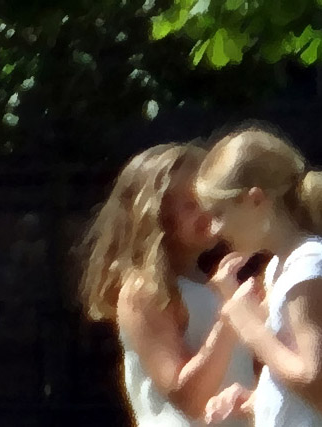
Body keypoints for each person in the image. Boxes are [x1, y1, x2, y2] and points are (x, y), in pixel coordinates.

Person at [196, 122, 322, 426]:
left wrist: (248, 323)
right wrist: (254, 400)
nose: (214, 230)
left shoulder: (311, 264)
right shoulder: (281, 266)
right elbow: (301, 387)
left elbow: (321, 390)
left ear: (255, 200)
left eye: (219, 213)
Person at [79, 143, 255, 426]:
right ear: (156, 216)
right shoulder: (145, 290)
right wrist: (231, 316)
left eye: (208, 198)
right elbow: (188, 399)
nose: (207, 211)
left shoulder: (206, 284)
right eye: (190, 204)